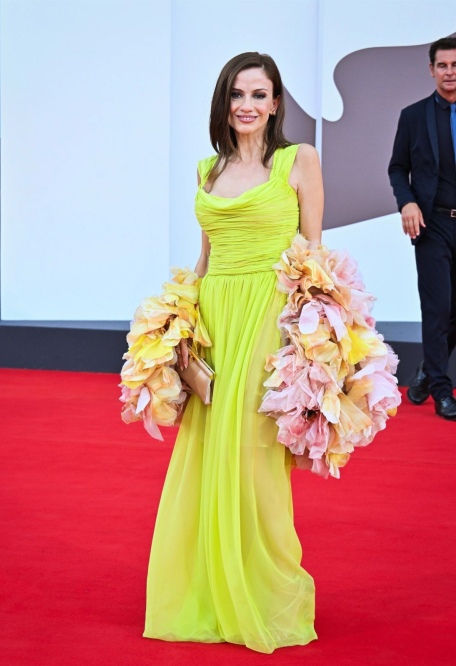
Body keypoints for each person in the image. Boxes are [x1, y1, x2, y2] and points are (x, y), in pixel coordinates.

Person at [143, 53, 323, 654]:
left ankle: (263, 588)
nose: (247, 104)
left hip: (268, 318)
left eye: (259, 94)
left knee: (254, 454)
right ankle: (211, 587)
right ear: (224, 104)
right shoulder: (208, 170)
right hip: (217, 318)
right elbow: (205, 257)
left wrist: (308, 338)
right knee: (210, 447)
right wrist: (181, 324)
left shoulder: (299, 161)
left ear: (275, 103)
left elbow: (313, 253)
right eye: (236, 94)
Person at [389, 36, 456, 420]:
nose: (449, 72)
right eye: (442, 65)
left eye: (454, 65)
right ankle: (443, 390)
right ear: (431, 70)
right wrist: (407, 201)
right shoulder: (413, 116)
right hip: (432, 224)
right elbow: (397, 167)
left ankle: (426, 374)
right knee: (436, 308)